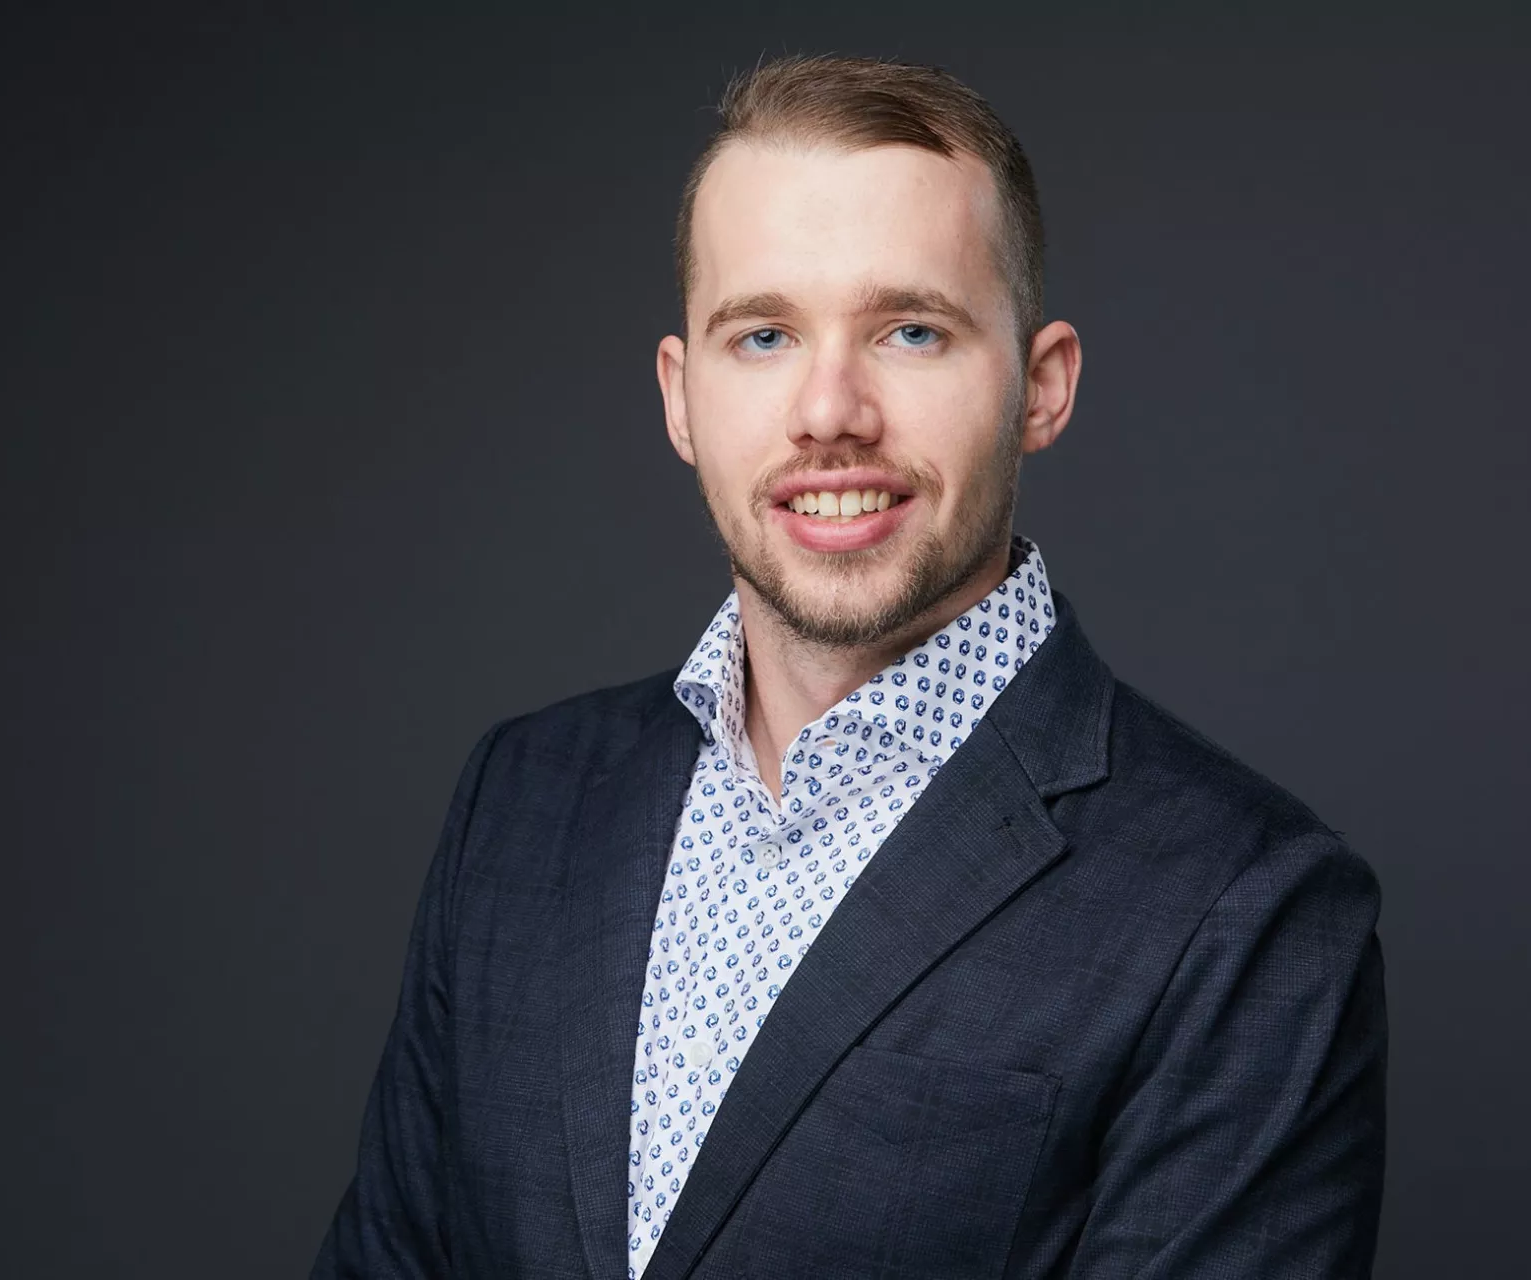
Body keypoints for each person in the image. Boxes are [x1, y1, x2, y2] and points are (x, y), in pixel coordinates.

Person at [313, 53, 1386, 1279]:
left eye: (911, 331)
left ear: (1041, 387)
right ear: (681, 397)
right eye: (763, 334)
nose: (830, 410)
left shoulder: (1246, 908)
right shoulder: (523, 797)